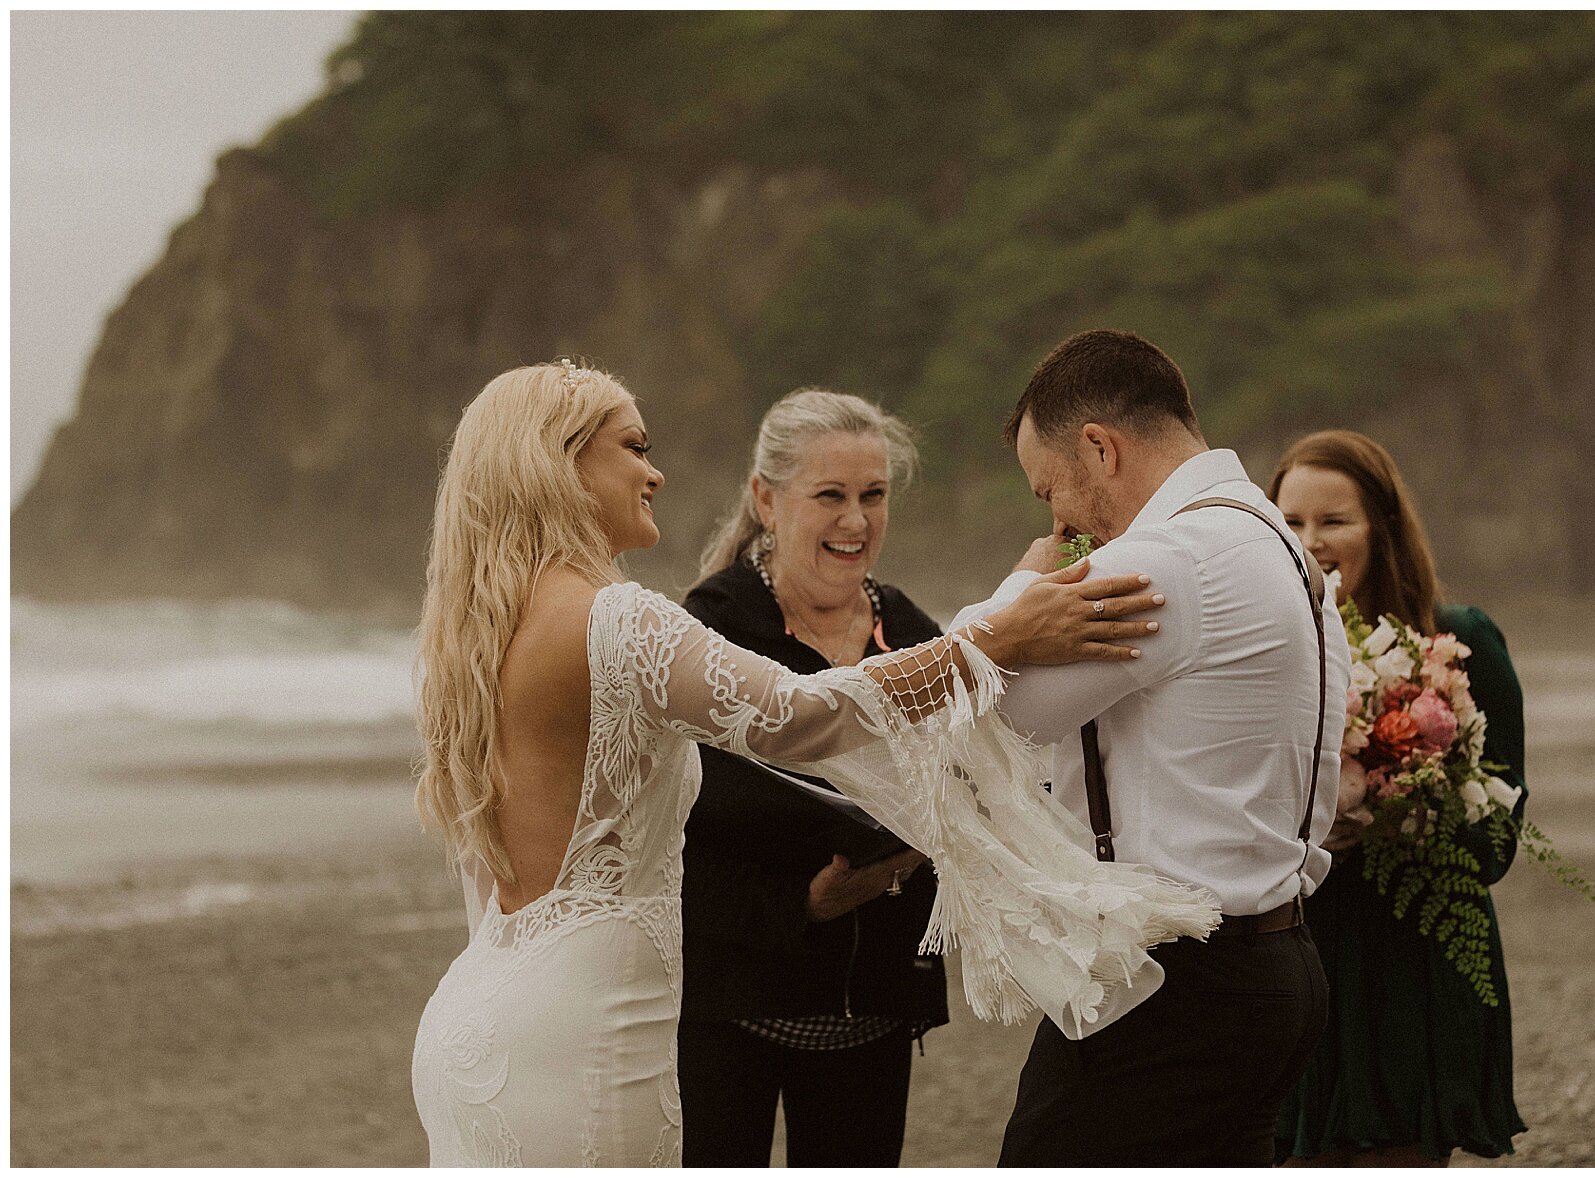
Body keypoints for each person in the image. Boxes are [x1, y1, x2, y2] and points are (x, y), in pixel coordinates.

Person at [407, 360, 1221, 1166]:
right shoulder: (614, 619)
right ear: (561, 462)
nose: (655, 472)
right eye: (633, 446)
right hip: (584, 1029)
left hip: (485, 1012)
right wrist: (997, 638)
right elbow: (807, 715)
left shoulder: (486, 627)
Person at [950, 329, 1353, 1167]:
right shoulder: (1277, 542)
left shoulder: (1167, 561)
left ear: (1100, 447)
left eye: (1050, 489)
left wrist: (1019, 589)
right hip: (1280, 960)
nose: (1057, 520)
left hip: (1178, 991)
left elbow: (981, 714)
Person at [677, 389, 945, 1167]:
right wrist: (803, 902)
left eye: (873, 495)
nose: (856, 522)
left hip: (878, 1004)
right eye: (830, 495)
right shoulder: (710, 628)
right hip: (730, 1000)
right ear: (766, 499)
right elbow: (674, 817)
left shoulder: (912, 633)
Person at [1269, 428, 1528, 1166]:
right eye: (1289, 521)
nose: (1310, 540)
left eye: (1333, 520)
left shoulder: (1460, 638)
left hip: (1410, 967)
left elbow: (1499, 840)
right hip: (1295, 963)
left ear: (1381, 527)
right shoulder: (1263, 648)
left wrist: (1395, 811)